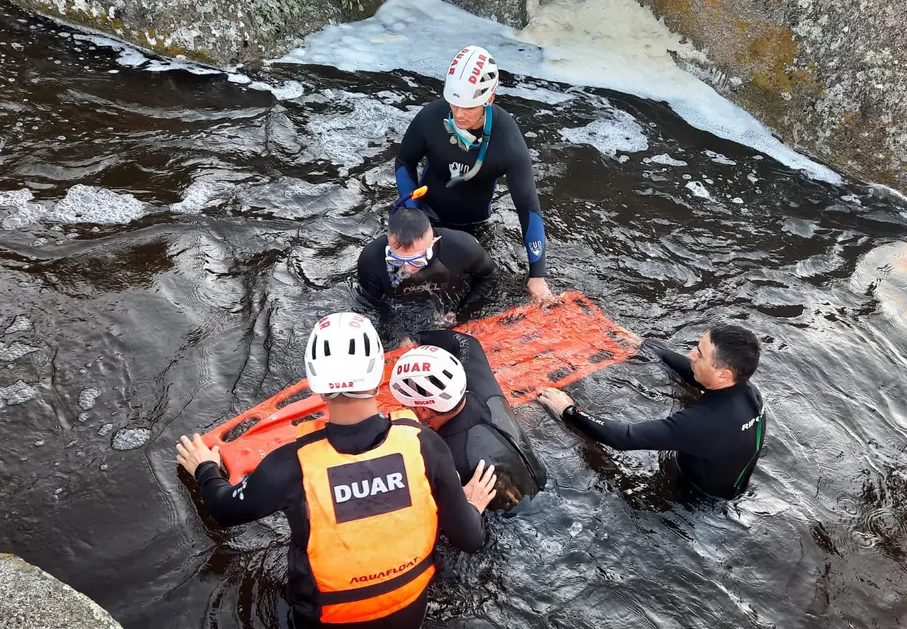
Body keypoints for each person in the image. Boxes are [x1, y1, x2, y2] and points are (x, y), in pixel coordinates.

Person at [176, 312, 497, 629]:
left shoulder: (290, 464)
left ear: (315, 382)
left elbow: (224, 508)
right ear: (379, 373)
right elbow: (469, 539)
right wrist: (470, 506)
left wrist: (205, 467)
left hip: (327, 620)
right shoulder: (426, 444)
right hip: (409, 614)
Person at [394, 45, 552, 304]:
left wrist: (537, 275)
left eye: (468, 107)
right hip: (427, 216)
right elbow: (404, 161)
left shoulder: (507, 140)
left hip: (473, 228)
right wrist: (414, 216)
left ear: (489, 99)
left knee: (463, 298)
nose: (458, 114)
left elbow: (528, 209)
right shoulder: (431, 118)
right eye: (454, 104)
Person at [537, 324, 766, 500]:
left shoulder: (703, 423)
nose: (690, 355)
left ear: (724, 374)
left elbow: (624, 438)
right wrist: (645, 345)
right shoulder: (749, 392)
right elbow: (692, 372)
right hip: (731, 484)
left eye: (699, 354)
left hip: (696, 499)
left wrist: (568, 410)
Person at [389, 330, 547, 510]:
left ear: (424, 410)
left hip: (518, 521)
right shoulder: (482, 387)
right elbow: (466, 343)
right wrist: (417, 339)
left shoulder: (442, 456)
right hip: (543, 487)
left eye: (405, 404)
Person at [357, 206, 497, 318]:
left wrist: (461, 312)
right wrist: (398, 335)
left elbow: (490, 276)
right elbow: (372, 304)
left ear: (433, 243)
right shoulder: (371, 260)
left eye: (416, 261)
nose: (407, 269)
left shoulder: (462, 247)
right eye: (397, 260)